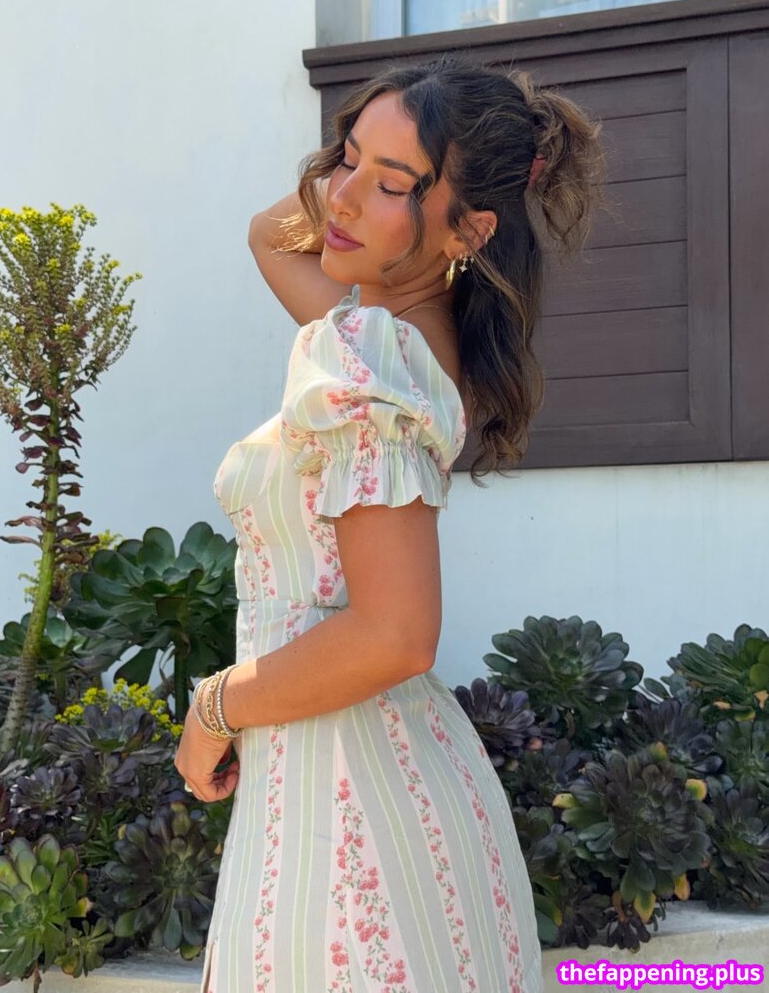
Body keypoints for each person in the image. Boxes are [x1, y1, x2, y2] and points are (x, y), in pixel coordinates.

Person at [174, 53, 606, 992]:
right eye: (346, 159)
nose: (340, 197)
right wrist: (370, 175)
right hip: (364, 791)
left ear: (471, 228)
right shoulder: (390, 340)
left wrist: (212, 710)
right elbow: (270, 236)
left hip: (345, 819)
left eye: (393, 184)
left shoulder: (369, 355)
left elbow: (396, 633)